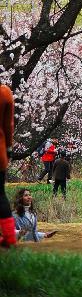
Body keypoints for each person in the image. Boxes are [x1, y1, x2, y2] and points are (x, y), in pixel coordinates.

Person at [0, 83, 17, 248]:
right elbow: (8, 125)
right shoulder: (4, 92)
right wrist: (9, 149)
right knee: (0, 194)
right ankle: (10, 238)